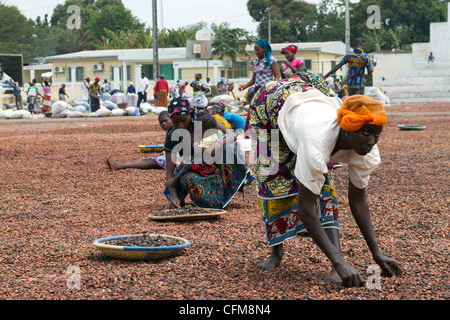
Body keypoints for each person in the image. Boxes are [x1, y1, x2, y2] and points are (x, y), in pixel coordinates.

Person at [249, 79, 402, 287]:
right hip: (270, 104)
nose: (371, 141)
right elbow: (305, 209)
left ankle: (335, 261)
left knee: (325, 187)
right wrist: (340, 263)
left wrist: (377, 253)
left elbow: (358, 200)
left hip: (311, 103)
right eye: (366, 133)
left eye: (377, 134)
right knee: (273, 178)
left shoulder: (366, 148)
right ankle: (277, 250)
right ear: (347, 128)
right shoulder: (317, 145)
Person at [163, 96, 253, 209]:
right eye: (176, 122)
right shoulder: (172, 136)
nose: (180, 125)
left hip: (214, 160)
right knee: (187, 177)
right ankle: (211, 200)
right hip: (196, 167)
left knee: (229, 149)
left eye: (183, 120)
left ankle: (226, 191)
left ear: (190, 114)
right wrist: (174, 197)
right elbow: (170, 173)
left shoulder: (203, 119)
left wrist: (218, 144)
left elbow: (232, 135)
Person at [107, 111, 173, 171]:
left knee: (152, 161)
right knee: (151, 159)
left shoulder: (175, 131)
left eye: (166, 121)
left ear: (172, 119)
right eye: (161, 122)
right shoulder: (169, 131)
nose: (164, 124)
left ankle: (120, 166)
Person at [239, 39, 280, 132]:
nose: (256, 52)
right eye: (255, 50)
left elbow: (277, 76)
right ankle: (251, 133)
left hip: (267, 90)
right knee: (252, 112)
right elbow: (253, 80)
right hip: (257, 90)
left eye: (258, 49)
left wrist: (273, 85)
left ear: (264, 49)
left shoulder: (271, 60)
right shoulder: (256, 61)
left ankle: (268, 133)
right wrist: (245, 86)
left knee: (265, 112)